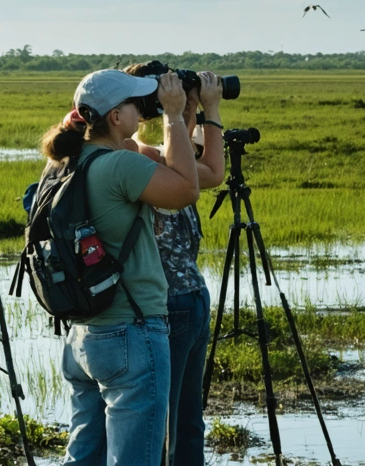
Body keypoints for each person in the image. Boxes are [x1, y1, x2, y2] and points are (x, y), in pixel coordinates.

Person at [39, 69, 201, 466]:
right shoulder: (120, 166)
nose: (140, 112)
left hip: (82, 335)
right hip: (132, 331)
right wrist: (174, 115)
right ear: (115, 116)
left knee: (83, 456)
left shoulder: (63, 164)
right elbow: (186, 189)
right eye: (133, 104)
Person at [123, 63, 226, 466]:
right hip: (184, 298)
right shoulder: (139, 154)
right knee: (181, 419)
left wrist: (190, 110)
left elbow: (201, 165)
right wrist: (204, 111)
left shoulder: (142, 155)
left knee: (172, 420)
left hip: (174, 302)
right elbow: (210, 170)